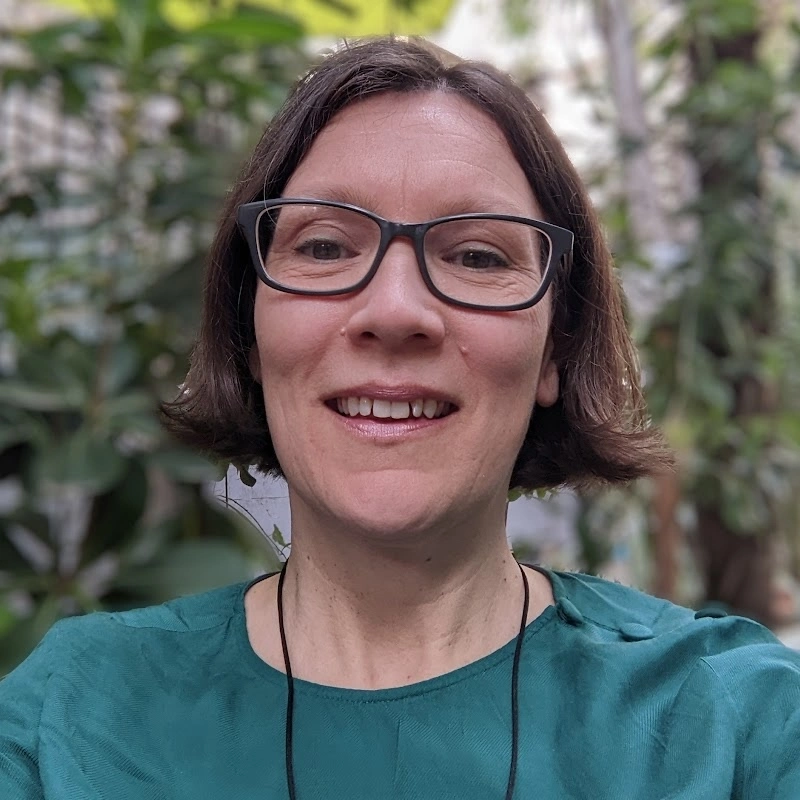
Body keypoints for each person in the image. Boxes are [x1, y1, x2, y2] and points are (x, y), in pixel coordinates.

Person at [1, 35, 798, 799]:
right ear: (249, 332)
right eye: (322, 247)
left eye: (479, 256)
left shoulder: (736, 724)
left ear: (556, 348)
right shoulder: (70, 720)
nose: (394, 309)